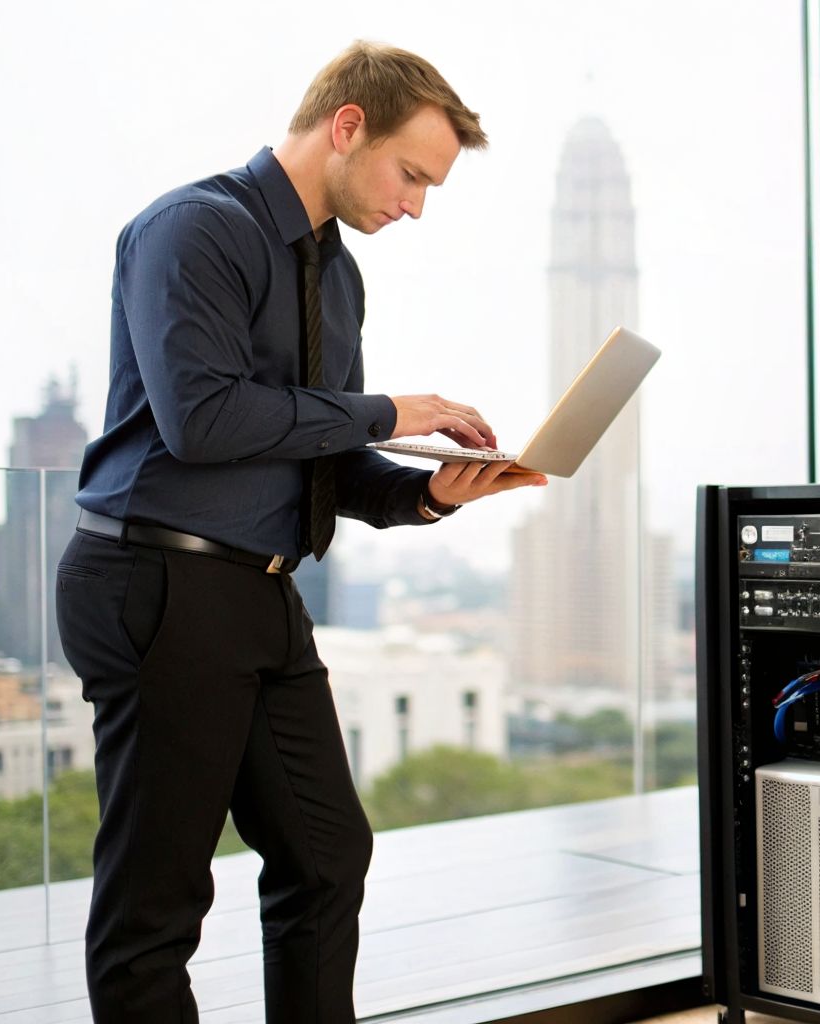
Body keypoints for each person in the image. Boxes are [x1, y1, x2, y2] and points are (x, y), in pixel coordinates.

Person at [55, 40, 536, 1023]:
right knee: (157, 905)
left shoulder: (338, 279)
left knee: (326, 856)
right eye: (410, 175)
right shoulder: (192, 231)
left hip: (261, 592)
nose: (414, 205)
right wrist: (390, 410)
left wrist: (433, 493)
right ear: (347, 126)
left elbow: (314, 454)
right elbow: (205, 420)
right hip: (156, 577)